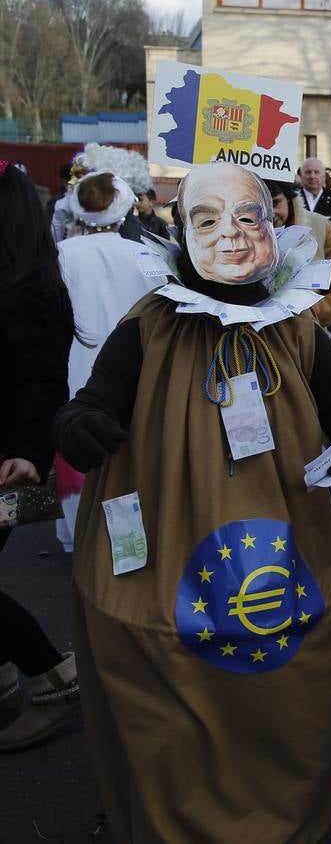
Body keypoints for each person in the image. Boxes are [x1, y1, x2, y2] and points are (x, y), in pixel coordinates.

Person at [50, 162, 331, 841]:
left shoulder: (295, 325)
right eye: (206, 219)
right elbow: (93, 401)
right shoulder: (149, 325)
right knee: (175, 699)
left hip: (283, 545)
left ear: (271, 227)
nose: (229, 233)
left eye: (246, 217)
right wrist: (82, 427)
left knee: (283, 695)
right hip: (168, 550)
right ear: (181, 231)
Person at [0, 161, 79, 751]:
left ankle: (53, 677)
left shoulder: (30, 283)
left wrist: (28, 451)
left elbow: (45, 378)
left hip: (5, 457)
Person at [51, 171, 160, 551]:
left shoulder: (62, 253)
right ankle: (130, 541)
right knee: (127, 450)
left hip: (79, 362)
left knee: (82, 439)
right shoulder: (144, 252)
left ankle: (82, 537)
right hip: (134, 362)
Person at [266, 179, 331, 329]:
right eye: (260, 206)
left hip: (306, 339)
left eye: (275, 203)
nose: (270, 214)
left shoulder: (319, 227)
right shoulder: (231, 233)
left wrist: (307, 315)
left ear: (288, 198)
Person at [298, 156, 331, 229]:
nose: (312, 176)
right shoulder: (292, 198)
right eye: (308, 172)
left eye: (316, 172)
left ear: (324, 176)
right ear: (301, 176)